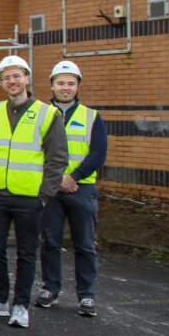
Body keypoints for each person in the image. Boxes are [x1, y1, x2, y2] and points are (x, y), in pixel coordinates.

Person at [0, 55, 68, 329]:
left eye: (17, 76)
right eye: (6, 78)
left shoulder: (48, 114)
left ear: (27, 78)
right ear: (0, 82)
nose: (12, 82)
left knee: (26, 252)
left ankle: (21, 305)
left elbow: (57, 158)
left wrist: (44, 195)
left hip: (29, 197)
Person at [37, 61, 107, 317]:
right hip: (50, 189)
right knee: (50, 242)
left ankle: (86, 295)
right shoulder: (41, 113)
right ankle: (50, 289)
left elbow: (98, 153)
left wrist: (74, 176)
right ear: (52, 85)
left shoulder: (92, 116)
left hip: (82, 188)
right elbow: (34, 151)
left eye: (70, 83)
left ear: (78, 86)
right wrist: (57, 179)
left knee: (85, 244)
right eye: (60, 83)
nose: (65, 88)